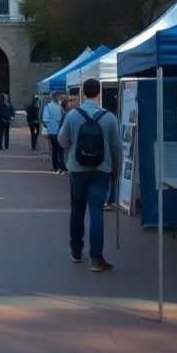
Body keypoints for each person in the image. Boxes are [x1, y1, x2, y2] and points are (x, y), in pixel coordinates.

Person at [57, 79, 120, 272]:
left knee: (77, 210)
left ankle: (76, 251)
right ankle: (96, 258)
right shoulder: (109, 117)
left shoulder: (73, 115)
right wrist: (115, 168)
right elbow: (116, 146)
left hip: (77, 169)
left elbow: (61, 140)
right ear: (99, 93)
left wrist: (73, 148)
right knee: (96, 212)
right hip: (101, 169)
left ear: (83, 93)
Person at [42, 94, 66, 173]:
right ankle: (62, 166)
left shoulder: (47, 107)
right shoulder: (61, 107)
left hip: (51, 131)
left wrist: (51, 124)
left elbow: (45, 119)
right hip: (60, 130)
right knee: (61, 149)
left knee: (55, 149)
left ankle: (55, 166)